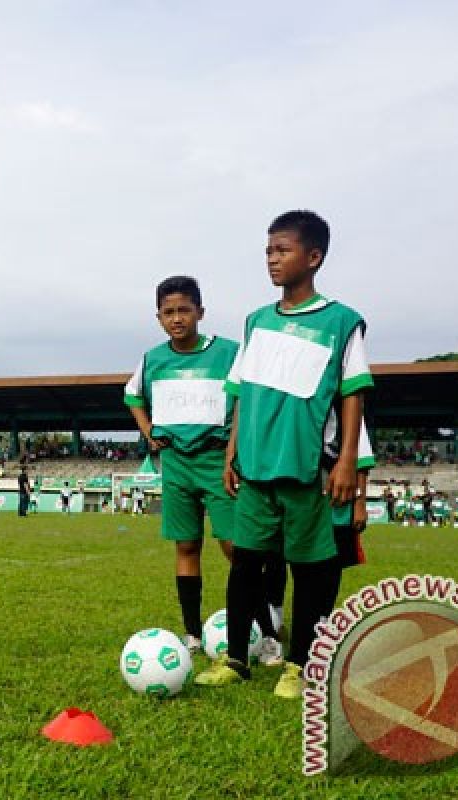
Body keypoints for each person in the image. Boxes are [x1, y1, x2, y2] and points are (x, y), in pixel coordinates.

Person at [196, 210, 372, 700]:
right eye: (269, 251)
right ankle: (235, 659)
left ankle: (299, 665)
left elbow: (353, 393)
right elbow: (241, 390)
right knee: (246, 564)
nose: (272, 259)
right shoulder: (256, 322)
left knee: (311, 570)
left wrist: (347, 463)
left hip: (306, 470)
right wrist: (231, 450)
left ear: (313, 257)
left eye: (283, 250)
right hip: (254, 468)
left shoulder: (341, 322)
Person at [125, 275, 281, 660]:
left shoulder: (228, 352)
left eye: (183, 310)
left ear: (200, 312)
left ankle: (269, 635)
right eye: (168, 312)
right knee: (187, 545)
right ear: (159, 317)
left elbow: (247, 397)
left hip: (218, 460)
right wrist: (148, 431)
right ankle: (192, 634)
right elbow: (132, 394)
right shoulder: (152, 359)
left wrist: (234, 450)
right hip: (176, 462)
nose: (176, 319)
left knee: (236, 550)